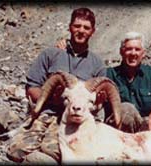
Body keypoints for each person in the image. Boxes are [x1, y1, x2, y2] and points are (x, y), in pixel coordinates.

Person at [6, 7, 106, 163]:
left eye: (86, 27)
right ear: (70, 27)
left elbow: (97, 103)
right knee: (16, 150)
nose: (81, 31)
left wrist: (98, 103)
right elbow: (32, 87)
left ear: (92, 31)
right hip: (47, 112)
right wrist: (50, 98)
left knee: (56, 151)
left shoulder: (97, 64)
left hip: (75, 118)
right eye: (77, 26)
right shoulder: (51, 54)